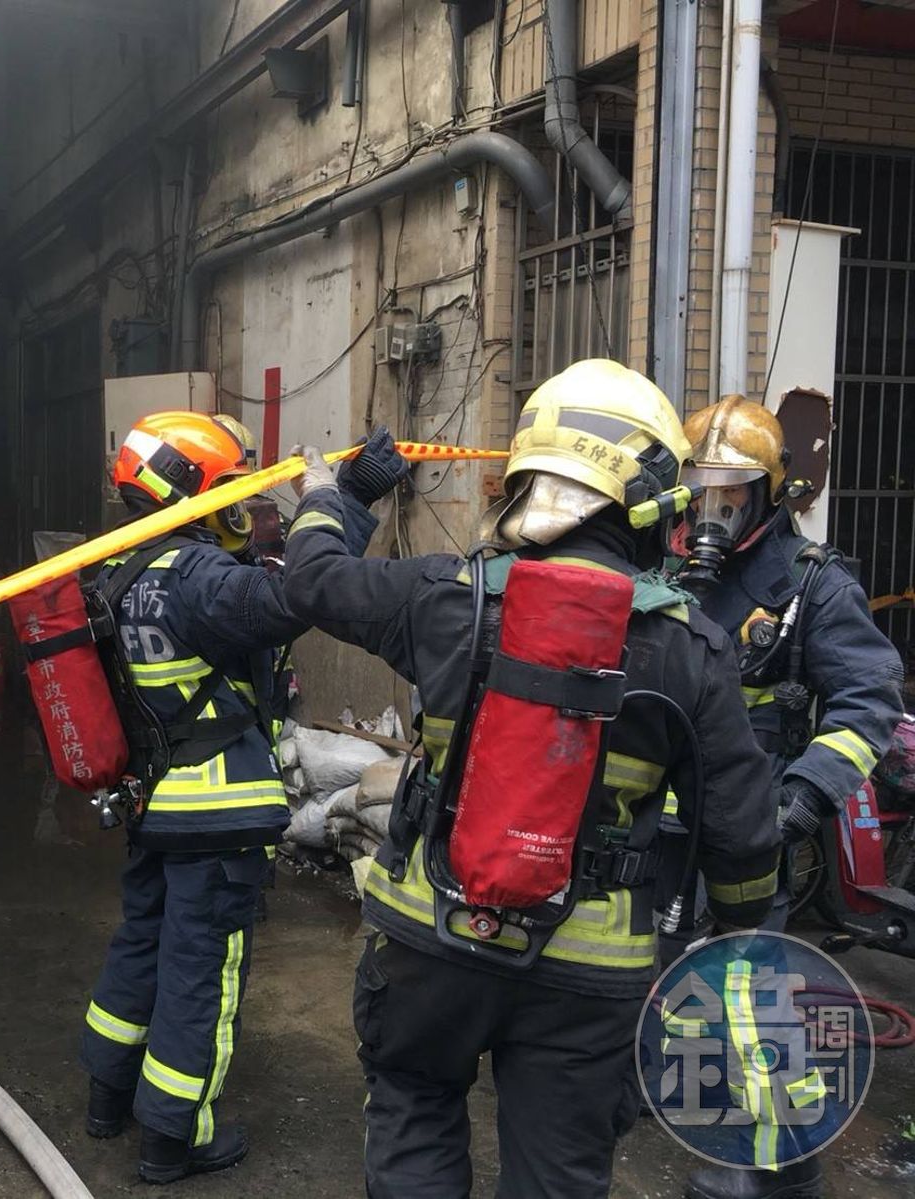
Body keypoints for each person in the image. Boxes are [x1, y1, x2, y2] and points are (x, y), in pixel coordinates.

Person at [279, 359, 782, 1199]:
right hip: (587, 977)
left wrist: (335, 494)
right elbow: (739, 834)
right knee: (558, 1176)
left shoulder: (444, 596)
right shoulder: (692, 647)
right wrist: (733, 928)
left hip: (433, 937)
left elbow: (311, 579)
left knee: (414, 1112)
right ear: (650, 499)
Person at [79, 410, 376, 1184]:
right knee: (200, 974)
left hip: (154, 804)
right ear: (190, 490)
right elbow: (312, 591)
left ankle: (108, 1097)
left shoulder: (120, 573)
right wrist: (337, 501)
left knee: (141, 945)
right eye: (230, 488)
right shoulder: (199, 578)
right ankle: (173, 1136)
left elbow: (275, 586)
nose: (241, 504)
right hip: (216, 816)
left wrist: (350, 502)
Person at [659, 397, 904, 1199]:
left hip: (749, 827)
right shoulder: (659, 568)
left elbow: (868, 700)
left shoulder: (811, 585)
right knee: (655, 978)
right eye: (701, 489)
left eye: (730, 492)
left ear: (767, 493)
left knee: (748, 993)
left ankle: (782, 1162)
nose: (712, 509)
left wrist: (803, 798)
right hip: (654, 826)